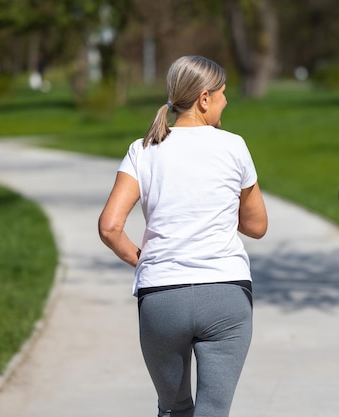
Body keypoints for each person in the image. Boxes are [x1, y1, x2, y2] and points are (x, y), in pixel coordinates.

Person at [98, 55, 268, 417]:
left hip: (162, 296)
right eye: (222, 94)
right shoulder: (233, 146)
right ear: (204, 99)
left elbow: (110, 226)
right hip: (226, 293)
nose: (226, 101)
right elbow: (257, 225)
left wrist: (140, 258)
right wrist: (216, 204)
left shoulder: (142, 149)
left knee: (174, 410)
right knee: (212, 411)